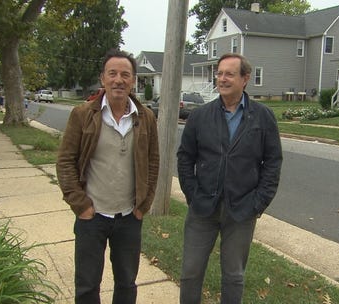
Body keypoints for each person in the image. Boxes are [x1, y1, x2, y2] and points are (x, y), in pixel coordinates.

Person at [177, 53, 283, 304]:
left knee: (234, 275)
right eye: (219, 73)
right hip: (202, 209)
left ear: (245, 79)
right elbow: (185, 157)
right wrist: (192, 194)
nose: (222, 79)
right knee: (191, 272)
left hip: (242, 210)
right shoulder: (201, 115)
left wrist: (258, 203)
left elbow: (273, 162)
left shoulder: (263, 117)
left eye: (229, 74)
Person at [56, 49, 159, 304]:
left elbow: (153, 162)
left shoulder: (145, 117)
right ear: (103, 78)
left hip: (129, 218)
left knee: (126, 284)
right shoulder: (82, 115)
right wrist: (81, 205)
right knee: (87, 286)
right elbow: (65, 161)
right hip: (92, 217)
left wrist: (143, 205)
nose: (118, 80)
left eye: (125, 75)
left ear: (133, 80)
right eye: (112, 74)